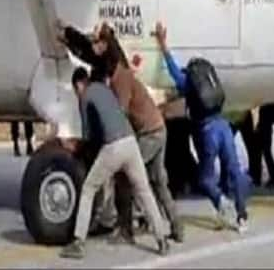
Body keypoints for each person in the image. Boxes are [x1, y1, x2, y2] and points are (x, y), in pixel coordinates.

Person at [60, 22, 183, 243]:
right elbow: (89, 53)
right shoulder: (114, 66)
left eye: (98, 42)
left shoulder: (120, 78)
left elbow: (121, 114)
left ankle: (126, 228)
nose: (94, 46)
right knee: (157, 180)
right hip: (157, 127)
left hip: (148, 132)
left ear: (107, 46)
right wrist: (68, 35)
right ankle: (175, 226)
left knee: (125, 176)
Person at [61, 68, 169, 259]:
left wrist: (73, 146)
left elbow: (88, 137)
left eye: (76, 89)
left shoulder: (85, 97)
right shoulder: (105, 89)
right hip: (131, 143)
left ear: (79, 84)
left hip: (113, 147)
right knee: (144, 191)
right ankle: (162, 240)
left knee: (88, 189)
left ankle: (78, 242)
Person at [155, 23, 249, 232]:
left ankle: (221, 203)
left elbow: (172, 69)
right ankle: (242, 216)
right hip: (223, 125)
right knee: (234, 171)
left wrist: (163, 44)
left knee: (205, 179)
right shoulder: (207, 78)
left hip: (207, 131)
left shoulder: (187, 81)